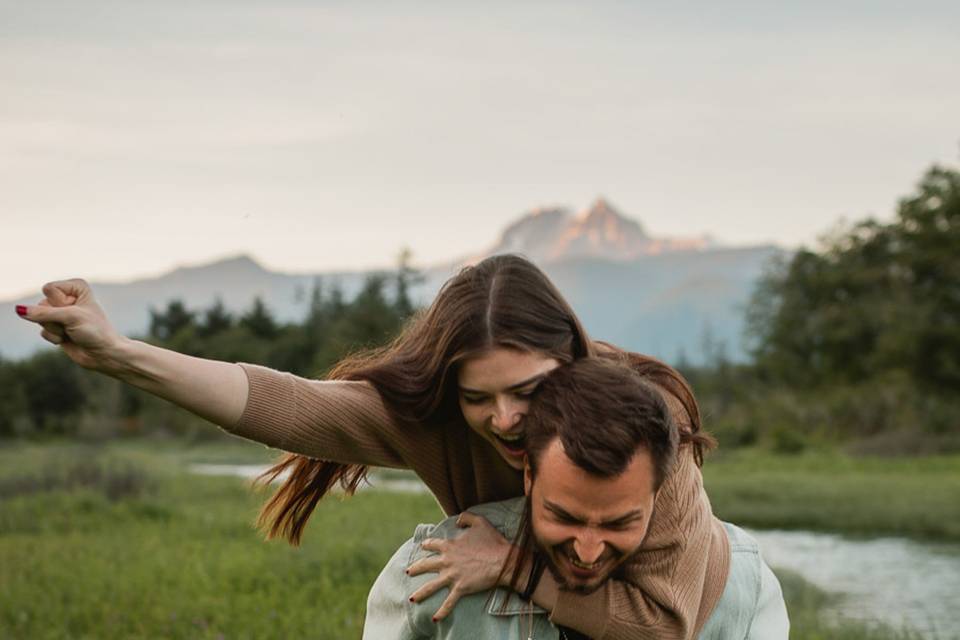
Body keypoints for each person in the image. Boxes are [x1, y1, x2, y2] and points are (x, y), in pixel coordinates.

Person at [16, 254, 727, 639]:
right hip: (580, 607)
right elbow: (282, 403)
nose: (506, 419)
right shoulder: (435, 415)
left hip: (707, 616)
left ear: (569, 359)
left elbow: (666, 626)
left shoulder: (638, 421)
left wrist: (514, 566)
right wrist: (118, 355)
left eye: (529, 391)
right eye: (478, 397)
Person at [363, 359, 789, 639]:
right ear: (528, 473)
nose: (587, 551)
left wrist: (518, 570)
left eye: (618, 523)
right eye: (564, 516)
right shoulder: (434, 570)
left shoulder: (745, 588)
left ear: (661, 490)